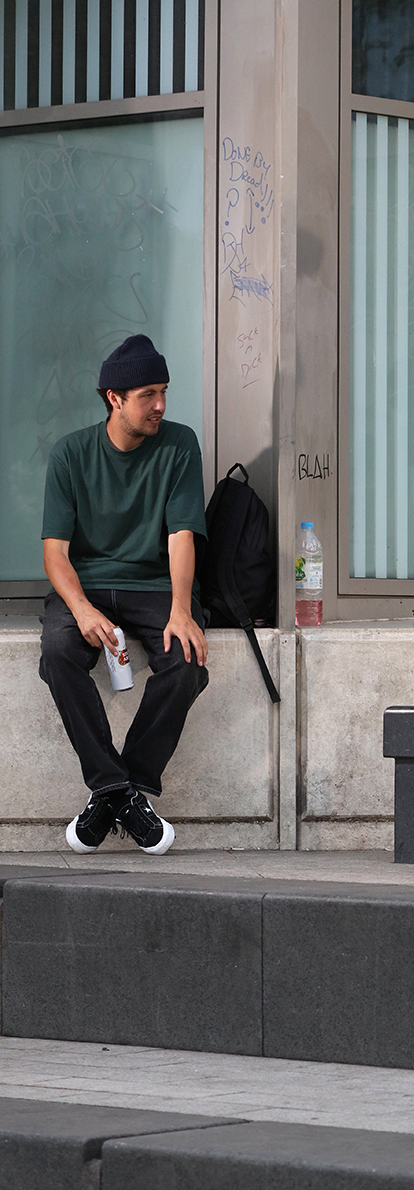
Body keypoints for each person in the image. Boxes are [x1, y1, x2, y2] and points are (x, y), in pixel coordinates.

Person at [40, 332, 210, 856]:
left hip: (154, 585)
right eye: (147, 395)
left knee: (187, 660)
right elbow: (54, 553)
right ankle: (116, 788)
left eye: (163, 392)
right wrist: (82, 608)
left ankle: (121, 789)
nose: (160, 405)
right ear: (114, 398)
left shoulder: (179, 443)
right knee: (58, 654)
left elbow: (182, 534)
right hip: (87, 585)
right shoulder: (71, 453)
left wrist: (181, 609)